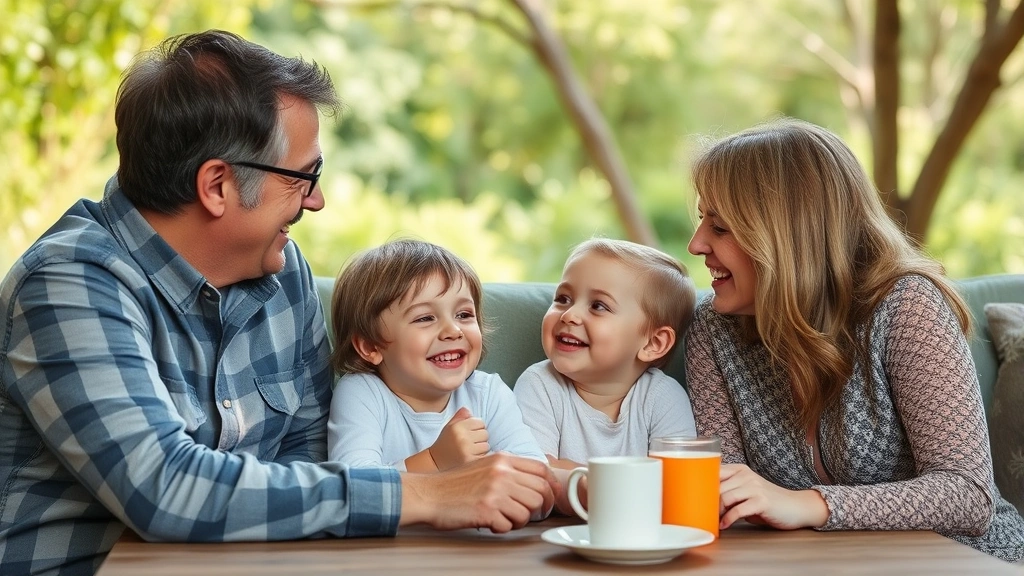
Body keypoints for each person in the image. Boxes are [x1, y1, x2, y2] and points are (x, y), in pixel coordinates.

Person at [0, 30, 554, 576]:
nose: (316, 200)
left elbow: (307, 455)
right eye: (302, 177)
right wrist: (429, 494)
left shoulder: (283, 274)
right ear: (216, 186)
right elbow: (163, 487)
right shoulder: (68, 284)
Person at [684, 117, 1024, 562]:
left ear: (790, 235)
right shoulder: (713, 330)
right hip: (811, 565)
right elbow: (722, 493)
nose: (695, 245)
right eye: (701, 221)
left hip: (964, 560)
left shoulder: (905, 303)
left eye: (720, 227)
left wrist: (810, 504)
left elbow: (967, 493)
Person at [327, 239, 546, 472]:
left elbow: (535, 472)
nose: (454, 331)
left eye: (463, 314)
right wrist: (434, 460)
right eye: (425, 318)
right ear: (370, 346)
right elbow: (354, 486)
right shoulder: (362, 393)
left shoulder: (488, 393)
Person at [514, 238, 697, 514]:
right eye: (563, 299)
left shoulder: (664, 397)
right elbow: (528, 481)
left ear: (653, 344)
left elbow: (680, 489)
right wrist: (603, 488)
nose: (570, 315)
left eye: (598, 306)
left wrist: (569, 475)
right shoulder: (539, 384)